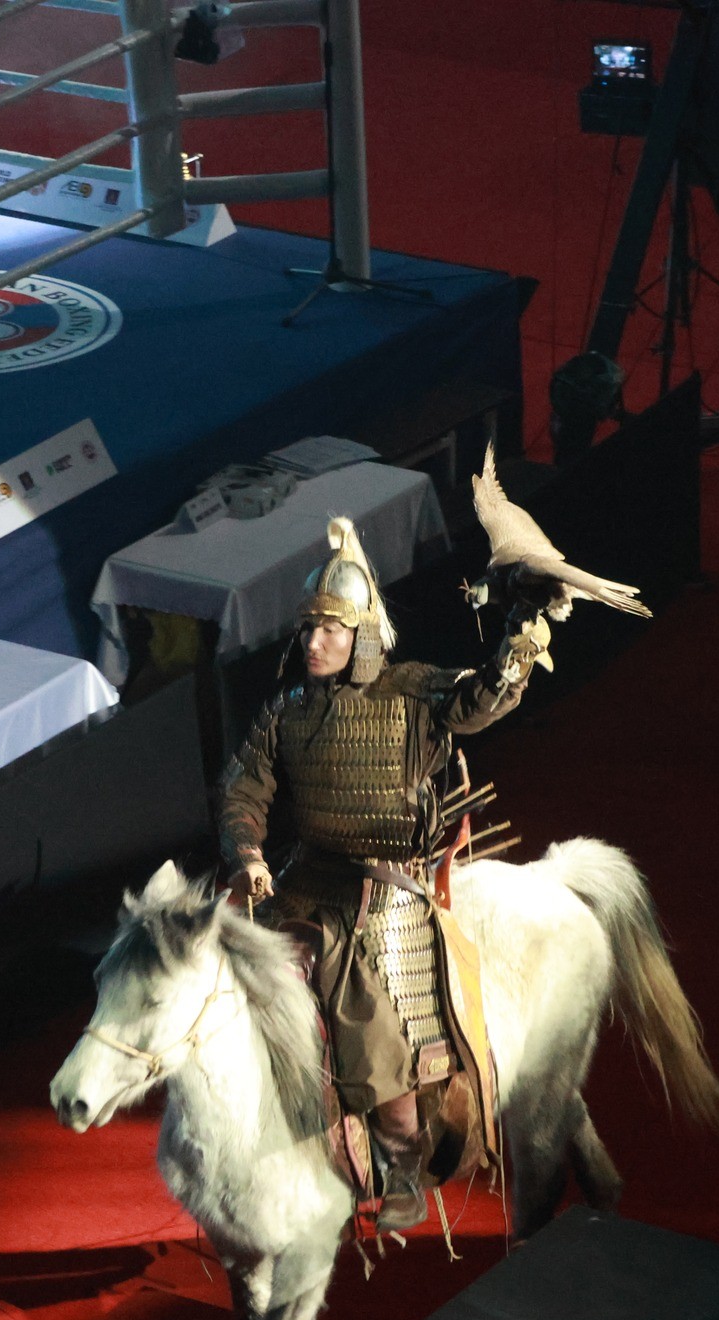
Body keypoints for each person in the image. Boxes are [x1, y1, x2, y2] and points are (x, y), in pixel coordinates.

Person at [218, 518, 548, 1230]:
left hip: (384, 891)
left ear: (362, 634)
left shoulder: (411, 692)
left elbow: (481, 699)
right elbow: (243, 788)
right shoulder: (286, 711)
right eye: (309, 628)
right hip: (304, 877)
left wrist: (520, 636)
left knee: (367, 1018)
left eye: (331, 630)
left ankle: (402, 1158)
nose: (314, 642)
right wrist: (248, 855)